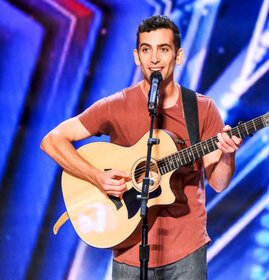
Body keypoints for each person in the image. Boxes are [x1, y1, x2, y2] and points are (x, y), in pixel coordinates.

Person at [40, 15, 242, 279]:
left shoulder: (201, 108)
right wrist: (97, 177)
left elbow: (218, 183)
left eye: (163, 49)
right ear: (137, 56)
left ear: (178, 56)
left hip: (187, 250)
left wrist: (227, 155)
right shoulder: (115, 105)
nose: (154, 59)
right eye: (147, 49)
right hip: (129, 247)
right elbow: (52, 140)